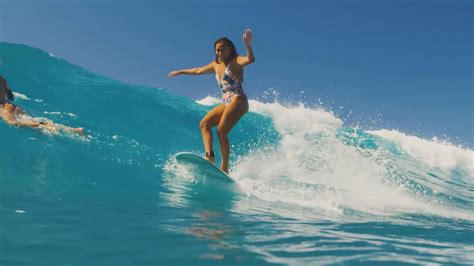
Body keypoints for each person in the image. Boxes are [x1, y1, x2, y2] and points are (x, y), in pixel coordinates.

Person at [168, 29, 255, 173]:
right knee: (204, 124)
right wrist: (180, 71)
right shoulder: (216, 65)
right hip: (227, 101)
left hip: (238, 99)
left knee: (221, 131)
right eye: (217, 51)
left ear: (230, 49)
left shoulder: (236, 61)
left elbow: (250, 60)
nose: (219, 53)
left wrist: (247, 45)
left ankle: (225, 167)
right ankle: (210, 157)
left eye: (222, 50)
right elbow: (198, 70)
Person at [0, 75, 85, 135]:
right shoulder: (2, 78)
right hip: (13, 106)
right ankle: (72, 130)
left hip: (2, 108)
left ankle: (43, 124)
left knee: (13, 122)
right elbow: (10, 96)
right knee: (32, 119)